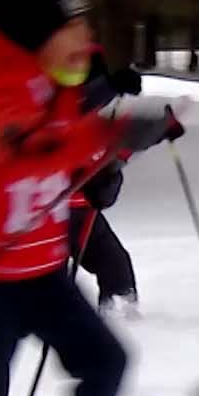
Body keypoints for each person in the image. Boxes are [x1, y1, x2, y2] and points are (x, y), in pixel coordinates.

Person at [0, 0, 180, 396]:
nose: (83, 36)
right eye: (68, 26)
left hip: (41, 275)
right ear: (30, 34)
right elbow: (17, 143)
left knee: (103, 362)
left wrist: (102, 160)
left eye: (83, 23)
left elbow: (63, 144)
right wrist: (106, 136)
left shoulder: (57, 84)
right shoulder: (0, 85)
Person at [69, 49, 145, 316]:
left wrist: (158, 128)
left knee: (115, 265)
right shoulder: (54, 110)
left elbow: (118, 149)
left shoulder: (97, 124)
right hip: (43, 217)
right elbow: (75, 104)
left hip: (82, 213)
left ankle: (120, 314)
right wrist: (109, 86)